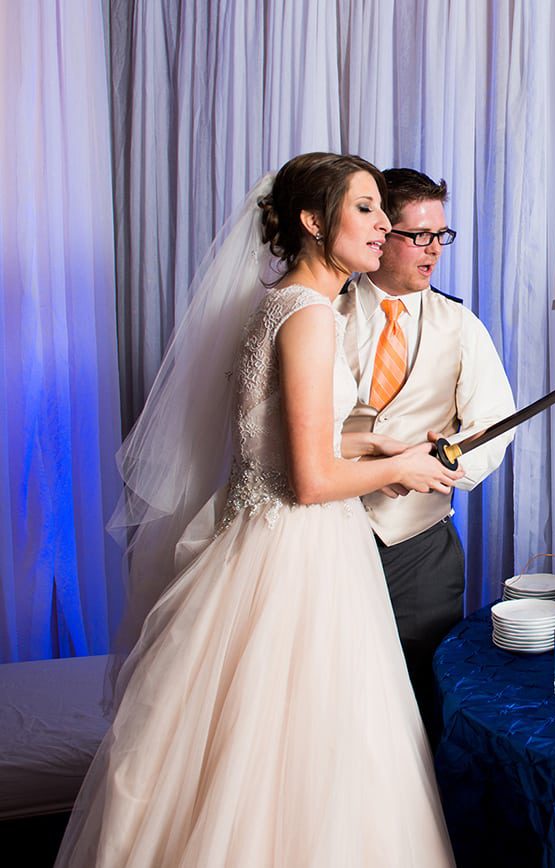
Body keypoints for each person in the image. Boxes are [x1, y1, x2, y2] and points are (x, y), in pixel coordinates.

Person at [56, 153, 455, 866]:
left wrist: (373, 442)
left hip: (256, 540)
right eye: (365, 208)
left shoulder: (278, 302)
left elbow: (273, 439)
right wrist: (404, 467)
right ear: (312, 221)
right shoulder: (312, 316)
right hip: (299, 558)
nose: (383, 225)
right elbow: (309, 482)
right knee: (308, 746)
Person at [335, 168, 514, 737]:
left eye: (442, 235)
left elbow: (494, 426)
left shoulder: (460, 324)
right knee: (333, 690)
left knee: (420, 700)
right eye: (419, 235)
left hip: (421, 548)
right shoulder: (323, 313)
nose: (434, 249)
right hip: (327, 533)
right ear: (379, 232)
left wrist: (446, 464)